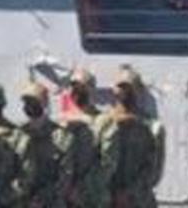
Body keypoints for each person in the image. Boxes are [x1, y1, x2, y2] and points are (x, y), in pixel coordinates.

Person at [97, 66, 160, 208]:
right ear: (114, 89)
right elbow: (94, 163)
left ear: (138, 91)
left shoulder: (152, 127)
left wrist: (128, 193)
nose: (125, 91)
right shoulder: (102, 123)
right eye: (121, 86)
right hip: (105, 199)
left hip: (138, 201)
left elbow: (153, 170)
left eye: (130, 87)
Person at [18, 82, 71, 208]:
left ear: (45, 104)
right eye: (27, 102)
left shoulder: (61, 136)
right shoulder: (17, 134)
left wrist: (41, 198)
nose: (30, 106)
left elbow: (66, 175)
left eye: (34, 102)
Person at [60, 68, 108, 207]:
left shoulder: (103, 122)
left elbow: (106, 163)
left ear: (90, 90)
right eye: (73, 87)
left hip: (89, 198)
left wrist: (80, 188)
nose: (76, 92)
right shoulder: (63, 121)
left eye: (81, 87)